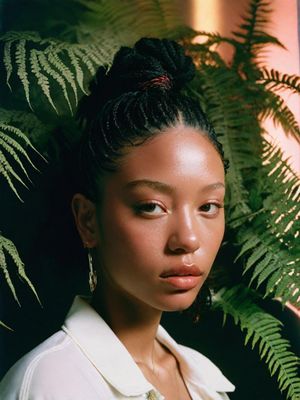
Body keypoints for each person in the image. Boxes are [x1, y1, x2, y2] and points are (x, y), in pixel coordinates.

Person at [0, 38, 235, 400]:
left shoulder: (205, 380)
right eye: (152, 206)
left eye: (208, 206)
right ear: (88, 221)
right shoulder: (51, 383)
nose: (188, 239)